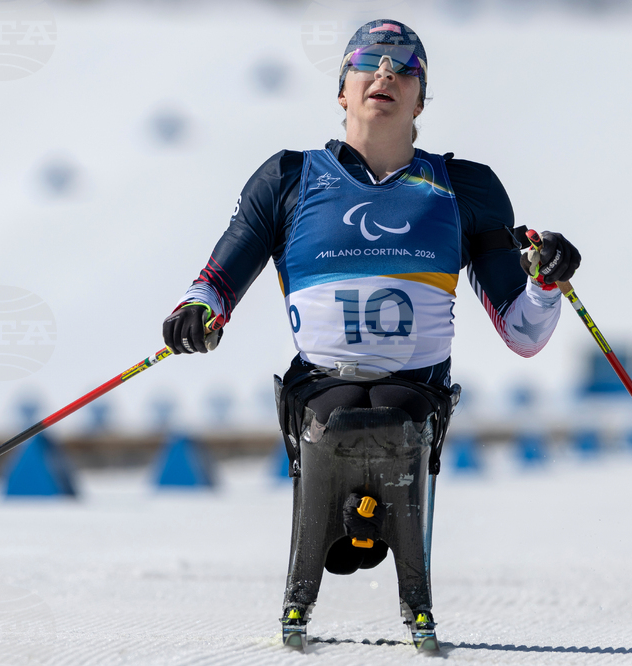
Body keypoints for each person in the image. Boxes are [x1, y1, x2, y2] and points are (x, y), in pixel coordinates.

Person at [162, 19, 580, 651]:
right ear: (342, 89)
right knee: (338, 423)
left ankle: (410, 591)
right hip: (320, 387)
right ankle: (311, 582)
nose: (387, 72)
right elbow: (216, 280)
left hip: (415, 389)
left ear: (420, 99)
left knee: (392, 420)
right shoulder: (290, 179)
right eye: (370, 61)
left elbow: (522, 332)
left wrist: (547, 281)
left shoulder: (463, 188)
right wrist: (195, 313)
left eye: (405, 67)